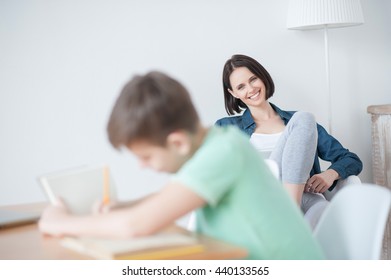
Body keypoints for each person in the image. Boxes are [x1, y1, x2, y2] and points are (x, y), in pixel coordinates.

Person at [38, 71, 324, 260]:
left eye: (146, 157)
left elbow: (135, 227)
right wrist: (123, 206)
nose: (141, 166)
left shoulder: (223, 153)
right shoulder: (215, 143)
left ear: (177, 143)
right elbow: (174, 196)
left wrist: (60, 222)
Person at [215, 54, 363, 227]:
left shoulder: (298, 125)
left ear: (262, 77)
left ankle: (292, 227)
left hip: (304, 198)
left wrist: (330, 174)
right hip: (261, 198)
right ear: (233, 93)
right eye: (241, 86)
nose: (251, 88)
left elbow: (351, 159)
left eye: (253, 79)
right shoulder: (227, 127)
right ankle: (289, 217)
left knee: (322, 207)